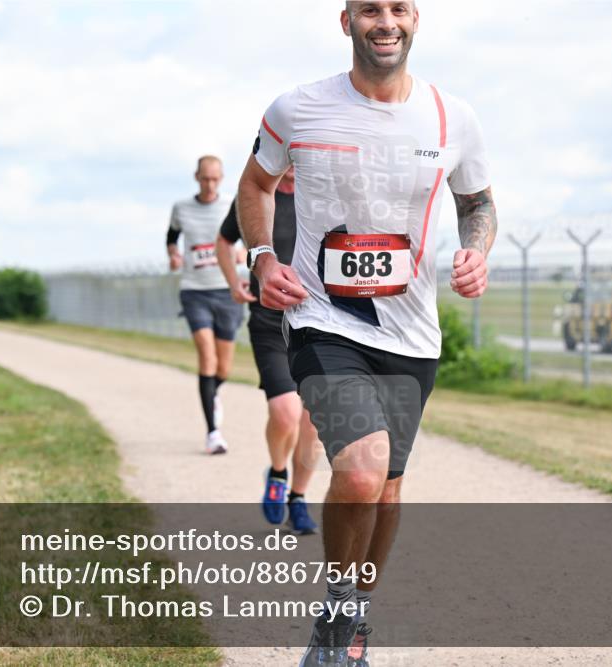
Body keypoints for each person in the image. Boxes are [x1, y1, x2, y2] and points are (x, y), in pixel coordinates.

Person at [237, 2, 496, 664]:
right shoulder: (297, 108)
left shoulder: (452, 116)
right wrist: (263, 256)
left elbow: (478, 202)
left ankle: (351, 617)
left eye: (399, 8)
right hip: (324, 318)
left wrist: (477, 249)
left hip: (412, 332)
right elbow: (257, 183)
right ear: (346, 19)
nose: (387, 21)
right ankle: (337, 614)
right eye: (371, 8)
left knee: (386, 491)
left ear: (416, 19)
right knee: (360, 470)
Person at [216, 166, 321, 535]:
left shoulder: (323, 194)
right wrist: (234, 283)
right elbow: (224, 241)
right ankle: (278, 473)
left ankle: (299, 497)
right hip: (269, 321)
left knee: (315, 422)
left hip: (320, 322)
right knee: (285, 412)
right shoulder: (256, 197)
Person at [167, 155, 240, 455]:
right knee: (207, 359)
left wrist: (242, 253)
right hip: (194, 291)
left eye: (215, 178)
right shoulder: (181, 208)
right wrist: (173, 254)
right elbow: (171, 236)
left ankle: (214, 391)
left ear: (221, 178)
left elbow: (247, 240)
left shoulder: (231, 206)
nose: (209, 184)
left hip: (226, 291)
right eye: (204, 178)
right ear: (196, 177)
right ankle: (213, 433)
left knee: (224, 366)